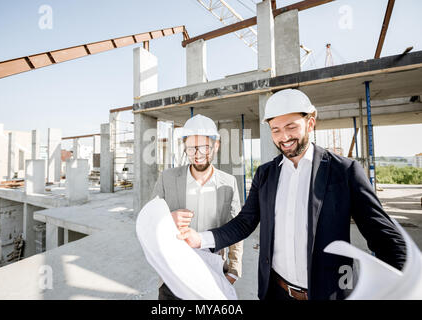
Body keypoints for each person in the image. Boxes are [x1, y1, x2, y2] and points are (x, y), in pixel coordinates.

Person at [177, 89, 407, 300]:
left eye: (291, 127)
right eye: (276, 130)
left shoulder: (345, 172)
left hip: (330, 294)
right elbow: (244, 222)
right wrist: (201, 238)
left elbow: (388, 239)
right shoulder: (265, 174)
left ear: (310, 123)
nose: (283, 137)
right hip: (276, 292)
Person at [151, 114, 244, 300]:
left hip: (213, 273)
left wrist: (234, 269)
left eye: (204, 147)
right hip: (173, 275)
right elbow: (148, 220)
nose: (198, 154)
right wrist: (168, 219)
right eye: (192, 148)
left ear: (216, 146)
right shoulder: (167, 179)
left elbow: (237, 227)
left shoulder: (229, 183)